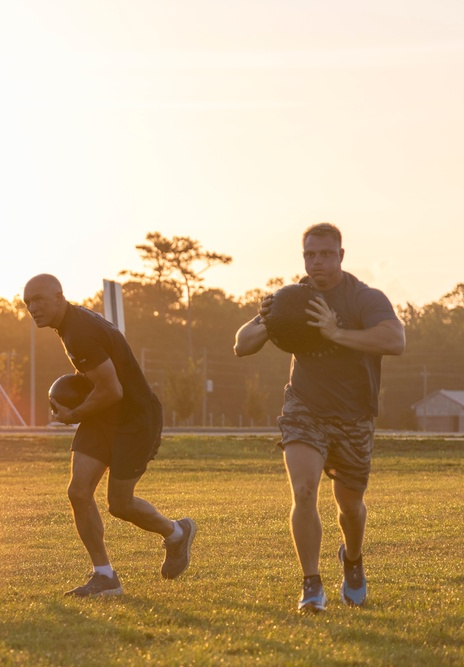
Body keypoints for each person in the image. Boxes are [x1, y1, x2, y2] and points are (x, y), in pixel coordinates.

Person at [234, 222, 405, 613]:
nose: (317, 262)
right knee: (305, 490)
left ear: (341, 256)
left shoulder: (364, 297)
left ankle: (353, 559)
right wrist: (263, 318)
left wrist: (334, 332)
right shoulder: (292, 297)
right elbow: (241, 345)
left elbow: (396, 340)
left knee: (350, 507)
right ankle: (311, 585)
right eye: (310, 254)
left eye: (325, 254)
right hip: (304, 408)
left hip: (354, 416)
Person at [23, 274, 196, 597]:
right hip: (104, 415)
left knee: (120, 504)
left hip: (135, 418)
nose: (33, 307)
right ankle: (105, 576)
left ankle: (176, 532)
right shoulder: (71, 324)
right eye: (27, 303)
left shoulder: (80, 333)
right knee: (78, 492)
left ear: (59, 297)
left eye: (39, 300)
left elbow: (112, 390)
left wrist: (73, 414)